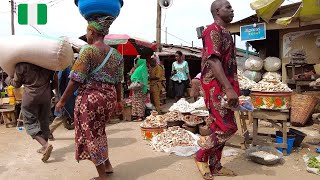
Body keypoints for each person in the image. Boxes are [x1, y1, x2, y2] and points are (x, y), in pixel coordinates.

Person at [55, 16, 124, 180]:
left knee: (91, 136)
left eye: (87, 31)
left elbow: (76, 79)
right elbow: (118, 81)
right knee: (99, 132)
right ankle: (107, 166)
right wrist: (119, 100)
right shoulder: (116, 55)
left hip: (91, 99)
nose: (86, 35)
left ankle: (102, 176)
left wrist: (62, 100)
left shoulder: (88, 50)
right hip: (109, 98)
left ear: (92, 32)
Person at [195, 0, 239, 179]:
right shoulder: (212, 30)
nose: (232, 10)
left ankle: (215, 165)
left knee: (216, 126)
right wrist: (228, 88)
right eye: (228, 7)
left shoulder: (226, 33)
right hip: (216, 87)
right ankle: (200, 156)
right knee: (228, 127)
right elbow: (213, 60)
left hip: (224, 86)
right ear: (217, 11)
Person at [8, 62, 56, 162]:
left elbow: (16, 84)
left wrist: (9, 79)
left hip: (30, 98)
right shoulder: (47, 62)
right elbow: (55, 81)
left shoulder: (21, 65)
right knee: (44, 121)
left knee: (30, 123)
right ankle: (44, 146)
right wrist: (48, 89)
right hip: (45, 96)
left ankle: (45, 145)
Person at [49, 62, 77, 140]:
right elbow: (67, 82)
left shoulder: (63, 66)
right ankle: (48, 131)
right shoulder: (67, 66)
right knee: (61, 115)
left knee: (65, 113)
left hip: (66, 94)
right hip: (67, 94)